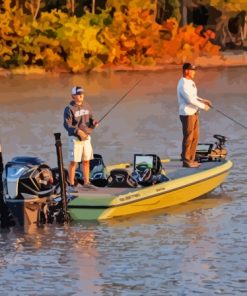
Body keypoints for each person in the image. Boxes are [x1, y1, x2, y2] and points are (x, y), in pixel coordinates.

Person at [177, 63, 212, 168]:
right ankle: (186, 160)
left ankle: (191, 159)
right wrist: (203, 106)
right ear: (186, 71)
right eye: (192, 70)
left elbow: (194, 96)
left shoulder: (190, 82)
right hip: (187, 114)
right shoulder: (183, 83)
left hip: (194, 113)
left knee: (195, 137)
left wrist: (203, 100)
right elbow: (189, 99)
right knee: (188, 137)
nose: (194, 72)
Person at [64, 86, 98, 192]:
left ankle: (86, 183)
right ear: (73, 96)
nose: (81, 96)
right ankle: (71, 185)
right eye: (78, 94)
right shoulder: (69, 108)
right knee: (73, 162)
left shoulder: (87, 106)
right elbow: (67, 125)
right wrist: (78, 132)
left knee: (86, 161)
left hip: (87, 138)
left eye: (82, 94)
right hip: (75, 139)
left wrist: (94, 123)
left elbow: (91, 119)